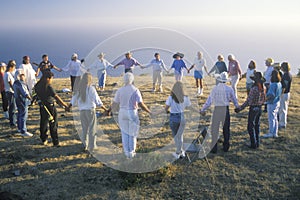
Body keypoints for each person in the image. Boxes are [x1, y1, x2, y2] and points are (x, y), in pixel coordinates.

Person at [111, 72, 151, 158]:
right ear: (132, 80)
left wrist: (108, 111)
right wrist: (149, 111)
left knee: (124, 133)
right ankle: (132, 152)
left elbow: (115, 104)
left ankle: (126, 152)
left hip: (122, 112)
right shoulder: (135, 90)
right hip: (132, 112)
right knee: (132, 133)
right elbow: (141, 104)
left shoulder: (120, 90)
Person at [69, 73, 109, 151]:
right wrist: (105, 109)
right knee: (92, 128)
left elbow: (73, 100)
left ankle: (85, 144)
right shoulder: (91, 88)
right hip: (90, 110)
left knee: (84, 128)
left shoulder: (79, 89)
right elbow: (98, 101)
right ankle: (92, 145)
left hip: (82, 111)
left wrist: (68, 107)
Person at [200, 72, 239, 153]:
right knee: (226, 129)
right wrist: (237, 107)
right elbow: (234, 100)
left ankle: (214, 147)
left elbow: (209, 101)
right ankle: (226, 146)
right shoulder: (229, 89)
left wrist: (203, 109)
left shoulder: (215, 89)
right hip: (225, 109)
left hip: (217, 109)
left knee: (215, 129)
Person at [34, 71, 69, 147]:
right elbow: (56, 97)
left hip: (42, 106)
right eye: (51, 78)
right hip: (50, 107)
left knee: (43, 123)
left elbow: (35, 95)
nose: (51, 80)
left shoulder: (37, 85)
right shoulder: (48, 87)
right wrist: (65, 105)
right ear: (47, 78)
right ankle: (55, 141)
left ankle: (44, 139)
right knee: (53, 124)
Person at [235, 72, 266, 148]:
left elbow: (248, 101)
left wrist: (240, 108)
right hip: (259, 108)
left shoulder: (254, 89)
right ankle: (257, 142)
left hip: (253, 108)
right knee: (257, 126)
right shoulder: (263, 87)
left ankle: (253, 143)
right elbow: (264, 99)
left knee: (250, 126)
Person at [165, 81, 191, 159]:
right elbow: (190, 107)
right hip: (182, 117)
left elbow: (166, 108)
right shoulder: (185, 98)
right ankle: (181, 151)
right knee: (180, 135)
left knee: (176, 136)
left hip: (173, 117)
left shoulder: (171, 98)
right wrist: (199, 112)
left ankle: (178, 152)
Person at [262, 70, 282, 138]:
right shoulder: (279, 83)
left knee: (271, 118)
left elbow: (271, 95)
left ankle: (270, 132)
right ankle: (275, 133)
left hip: (272, 103)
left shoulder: (273, 84)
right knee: (275, 118)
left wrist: (265, 99)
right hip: (277, 102)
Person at [13, 69, 33, 137]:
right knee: (23, 115)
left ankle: (19, 127)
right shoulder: (20, 83)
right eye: (23, 75)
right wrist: (31, 99)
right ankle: (23, 130)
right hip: (23, 100)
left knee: (19, 114)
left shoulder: (15, 83)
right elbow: (25, 93)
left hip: (18, 100)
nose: (24, 76)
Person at [279, 62, 292, 129]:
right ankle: (282, 122)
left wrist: (281, 93)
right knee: (283, 108)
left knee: (283, 109)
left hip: (284, 94)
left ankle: (282, 123)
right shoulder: (287, 74)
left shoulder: (286, 75)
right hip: (286, 93)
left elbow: (285, 86)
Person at [4, 60, 17, 128]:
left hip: (9, 91)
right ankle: (13, 122)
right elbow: (11, 84)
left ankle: (13, 120)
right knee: (12, 107)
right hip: (10, 92)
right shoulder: (8, 74)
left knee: (12, 107)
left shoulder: (6, 74)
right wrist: (15, 90)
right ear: (11, 67)